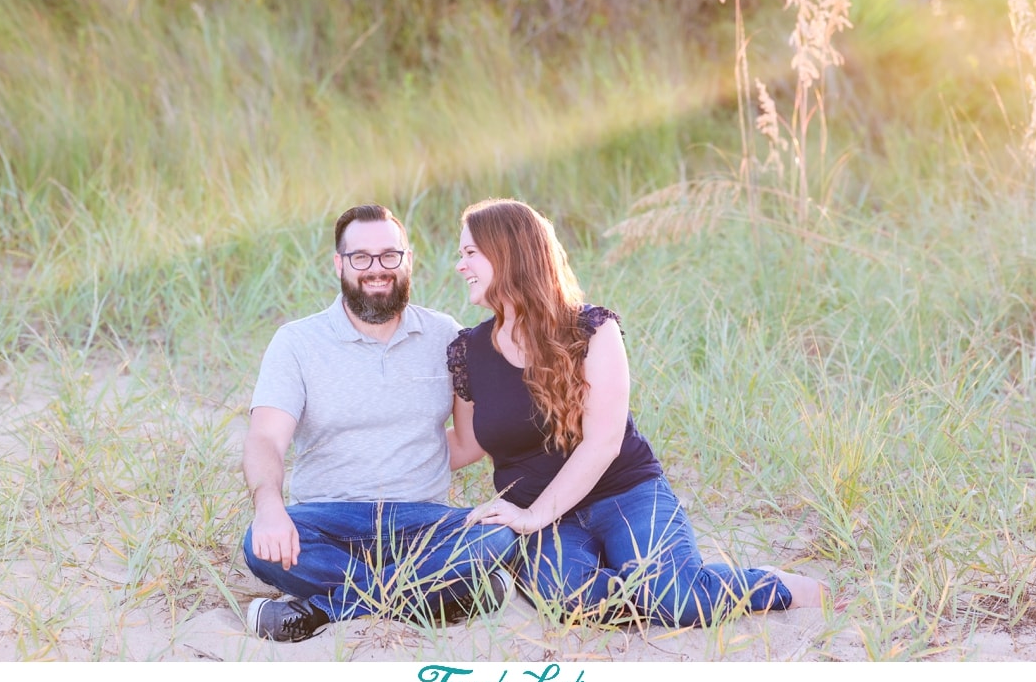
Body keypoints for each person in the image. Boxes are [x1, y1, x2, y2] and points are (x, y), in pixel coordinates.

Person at [446, 198, 829, 628]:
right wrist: (369, 442)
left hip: (624, 493)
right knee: (566, 601)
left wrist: (533, 516)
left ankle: (770, 584)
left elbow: (604, 442)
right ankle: (650, 579)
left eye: (470, 253)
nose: (460, 265)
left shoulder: (591, 330)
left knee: (676, 600)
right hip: (542, 519)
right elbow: (463, 445)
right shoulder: (468, 350)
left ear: (509, 253)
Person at [241, 203, 515, 643]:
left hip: (421, 521)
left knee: (498, 536)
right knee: (260, 545)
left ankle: (321, 609)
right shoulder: (296, 342)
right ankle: (441, 594)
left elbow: (468, 442)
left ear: (408, 260)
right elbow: (265, 439)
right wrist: (269, 507)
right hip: (327, 520)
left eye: (390, 255)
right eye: (361, 258)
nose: (377, 269)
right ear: (339, 265)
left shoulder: (446, 335)